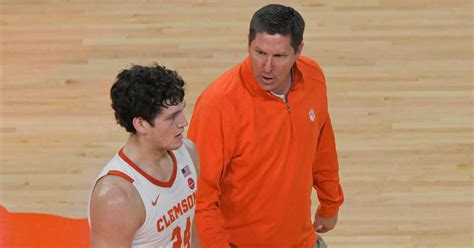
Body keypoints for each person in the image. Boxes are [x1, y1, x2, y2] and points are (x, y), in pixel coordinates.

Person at [188, 4, 343, 248]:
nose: (267, 67)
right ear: (248, 44)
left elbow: (322, 144)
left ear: (298, 51)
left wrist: (330, 201)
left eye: (279, 56)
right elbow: (200, 199)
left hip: (303, 240)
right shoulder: (217, 104)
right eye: (259, 53)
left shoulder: (313, 77)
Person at [88, 64, 200, 247]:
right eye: (171, 117)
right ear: (141, 124)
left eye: (182, 111)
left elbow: (190, 230)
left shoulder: (188, 154)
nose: (183, 122)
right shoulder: (117, 197)